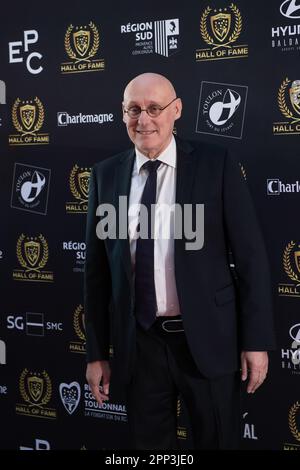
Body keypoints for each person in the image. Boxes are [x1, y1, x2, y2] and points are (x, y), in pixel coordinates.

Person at [84, 72, 276, 450]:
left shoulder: (214, 164)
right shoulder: (105, 176)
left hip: (207, 341)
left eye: (154, 108)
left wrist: (255, 341)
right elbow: (96, 274)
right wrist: (96, 353)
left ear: (177, 110)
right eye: (134, 110)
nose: (144, 120)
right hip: (140, 347)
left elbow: (251, 258)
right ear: (123, 115)